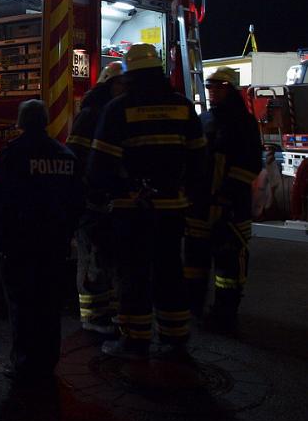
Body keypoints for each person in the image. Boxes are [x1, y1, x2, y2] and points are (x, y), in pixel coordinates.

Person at [88, 43, 206, 359]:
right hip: (172, 210)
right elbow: (199, 162)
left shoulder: (118, 110)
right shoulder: (183, 107)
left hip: (132, 209)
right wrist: (193, 199)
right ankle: (175, 336)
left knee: (134, 273)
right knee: (170, 270)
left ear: (129, 76)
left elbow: (101, 165)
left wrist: (107, 196)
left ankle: (135, 341)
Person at [0, 100, 83, 385]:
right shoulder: (66, 156)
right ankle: (48, 361)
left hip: (19, 246)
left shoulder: (12, 156)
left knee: (22, 306)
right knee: (49, 306)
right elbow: (77, 202)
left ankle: (24, 363)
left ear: (20, 122)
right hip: (54, 247)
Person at [184, 66, 262, 332]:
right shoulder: (204, 120)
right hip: (201, 205)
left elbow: (250, 164)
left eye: (219, 87)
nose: (213, 91)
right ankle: (194, 308)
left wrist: (227, 196)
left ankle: (226, 314)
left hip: (231, 208)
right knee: (195, 261)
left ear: (232, 90)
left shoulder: (244, 123)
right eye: (210, 87)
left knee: (229, 265)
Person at [66, 62, 126, 335]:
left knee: (107, 257)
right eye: (119, 84)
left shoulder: (115, 113)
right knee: (90, 257)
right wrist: (86, 190)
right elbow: (77, 156)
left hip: (110, 198)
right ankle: (91, 317)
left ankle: (107, 312)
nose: (124, 89)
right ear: (108, 85)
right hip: (91, 198)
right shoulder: (91, 114)